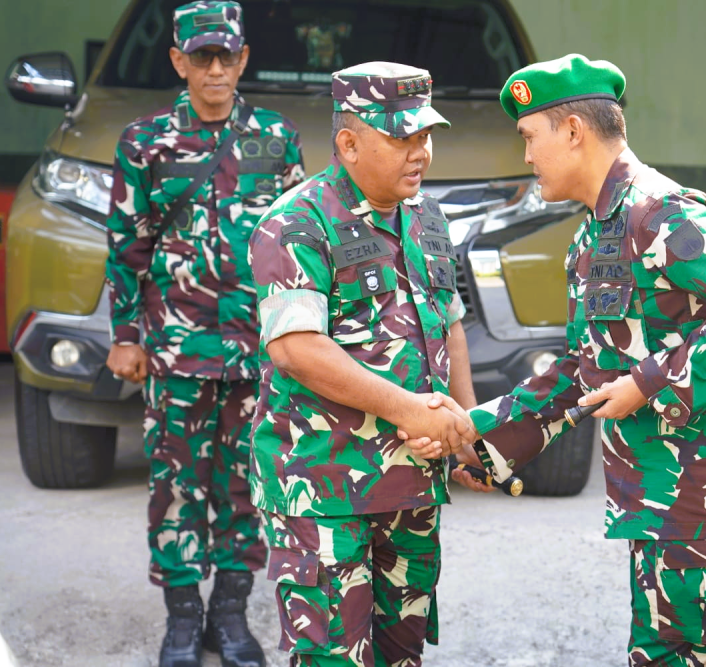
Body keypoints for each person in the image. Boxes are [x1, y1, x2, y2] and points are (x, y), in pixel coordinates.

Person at [408, 54, 706, 666]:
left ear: (572, 131)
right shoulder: (597, 233)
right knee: (660, 652)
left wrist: (648, 383)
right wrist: (476, 433)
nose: (527, 157)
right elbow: (584, 366)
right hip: (659, 489)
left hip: (704, 490)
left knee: (685, 656)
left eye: (530, 137)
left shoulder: (658, 211)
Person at [246, 61, 487, 667]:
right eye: (401, 138)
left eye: (426, 135)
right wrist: (411, 408)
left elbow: (449, 321)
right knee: (333, 657)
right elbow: (296, 348)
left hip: (411, 485)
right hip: (327, 488)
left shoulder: (427, 218)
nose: (421, 153)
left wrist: (468, 428)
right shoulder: (296, 222)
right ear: (348, 143)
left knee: (401, 653)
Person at [104, 2, 305, 665]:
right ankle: (183, 619)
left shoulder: (276, 139)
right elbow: (127, 245)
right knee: (177, 486)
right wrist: (126, 334)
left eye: (226, 56)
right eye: (201, 57)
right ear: (179, 62)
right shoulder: (145, 143)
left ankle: (231, 614)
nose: (214, 69)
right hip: (176, 350)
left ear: (243, 58)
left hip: (255, 353)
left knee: (248, 484)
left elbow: (299, 249)